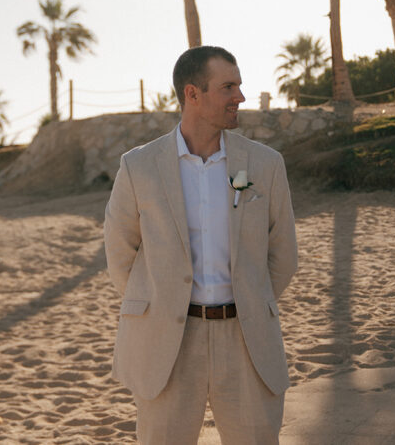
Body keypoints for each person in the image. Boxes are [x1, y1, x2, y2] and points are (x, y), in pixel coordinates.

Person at [104, 46, 298, 444]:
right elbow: (120, 253)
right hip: (168, 343)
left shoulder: (264, 164)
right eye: (228, 86)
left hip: (247, 341)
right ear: (193, 94)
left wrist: (248, 300)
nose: (239, 97)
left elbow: (283, 253)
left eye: (239, 85)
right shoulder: (138, 166)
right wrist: (163, 303)